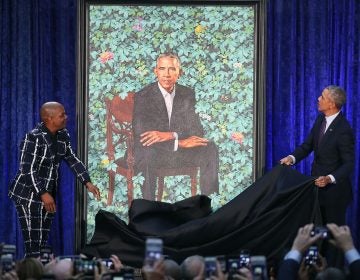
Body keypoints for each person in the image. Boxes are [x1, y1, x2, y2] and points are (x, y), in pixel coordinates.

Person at [8, 102, 101, 258]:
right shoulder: (33, 138)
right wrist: (43, 193)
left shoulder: (63, 135)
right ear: (49, 118)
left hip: (48, 194)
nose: (66, 117)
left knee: (41, 244)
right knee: (33, 245)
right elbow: (27, 169)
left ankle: (38, 271)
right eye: (62, 115)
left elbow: (72, 159)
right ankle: (31, 273)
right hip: (27, 195)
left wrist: (87, 181)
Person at [133, 53, 219, 200]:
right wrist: (179, 142)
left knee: (209, 147)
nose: (167, 74)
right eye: (162, 69)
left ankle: (208, 203)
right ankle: (148, 208)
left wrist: (171, 135)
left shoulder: (187, 93)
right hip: (154, 152)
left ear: (179, 72)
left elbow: (196, 129)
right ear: (156, 72)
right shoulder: (143, 96)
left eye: (172, 69)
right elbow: (144, 135)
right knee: (147, 153)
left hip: (179, 153)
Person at [280, 85, 355, 226]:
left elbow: (349, 164)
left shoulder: (344, 129)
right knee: (318, 234)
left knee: (332, 237)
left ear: (331, 104)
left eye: (322, 97)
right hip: (316, 189)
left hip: (334, 194)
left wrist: (329, 178)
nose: (318, 99)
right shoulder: (320, 120)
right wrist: (292, 158)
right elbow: (307, 145)